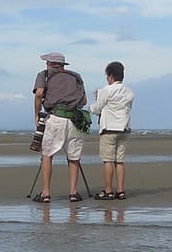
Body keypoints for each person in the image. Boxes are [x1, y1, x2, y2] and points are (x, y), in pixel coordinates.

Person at [32, 52, 88, 203]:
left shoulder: (44, 75)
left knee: (47, 155)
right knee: (74, 157)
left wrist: (37, 114)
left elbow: (39, 94)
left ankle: (46, 193)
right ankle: (73, 193)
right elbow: (84, 100)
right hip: (75, 120)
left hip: (55, 118)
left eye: (47, 63)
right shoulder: (76, 76)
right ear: (63, 65)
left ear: (51, 64)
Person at [90, 61, 134, 200]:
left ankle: (108, 190)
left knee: (108, 160)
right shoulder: (129, 92)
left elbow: (97, 109)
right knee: (119, 161)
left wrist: (95, 100)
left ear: (110, 76)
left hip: (109, 128)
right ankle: (120, 191)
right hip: (124, 128)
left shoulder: (106, 90)